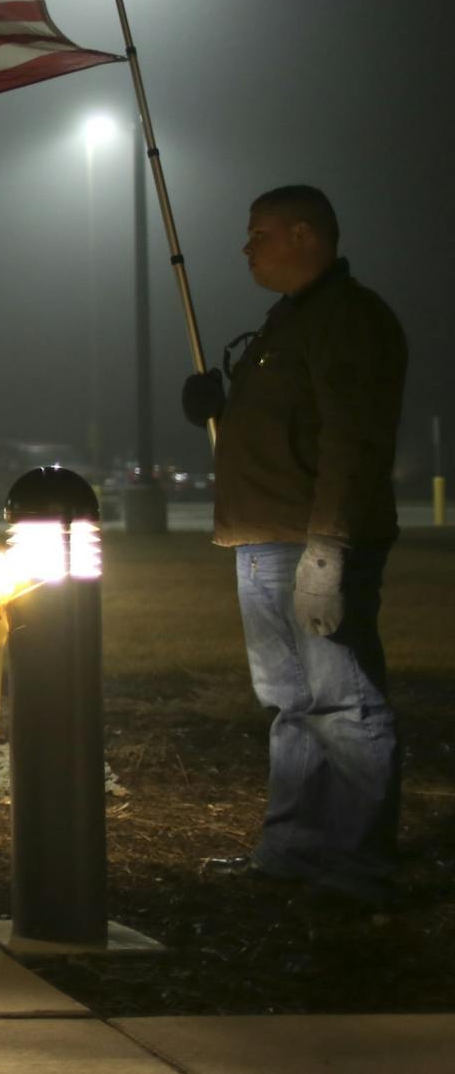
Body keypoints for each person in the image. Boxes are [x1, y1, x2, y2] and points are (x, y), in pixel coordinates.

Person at [184, 185, 406, 907]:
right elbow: (288, 426)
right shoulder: (288, 322)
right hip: (261, 539)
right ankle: (294, 847)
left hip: (306, 541)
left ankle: (356, 862)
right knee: (290, 702)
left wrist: (330, 546)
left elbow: (351, 439)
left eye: (259, 233)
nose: (246, 247)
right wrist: (221, 408)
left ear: (304, 234)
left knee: (343, 702)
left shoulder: (348, 320)